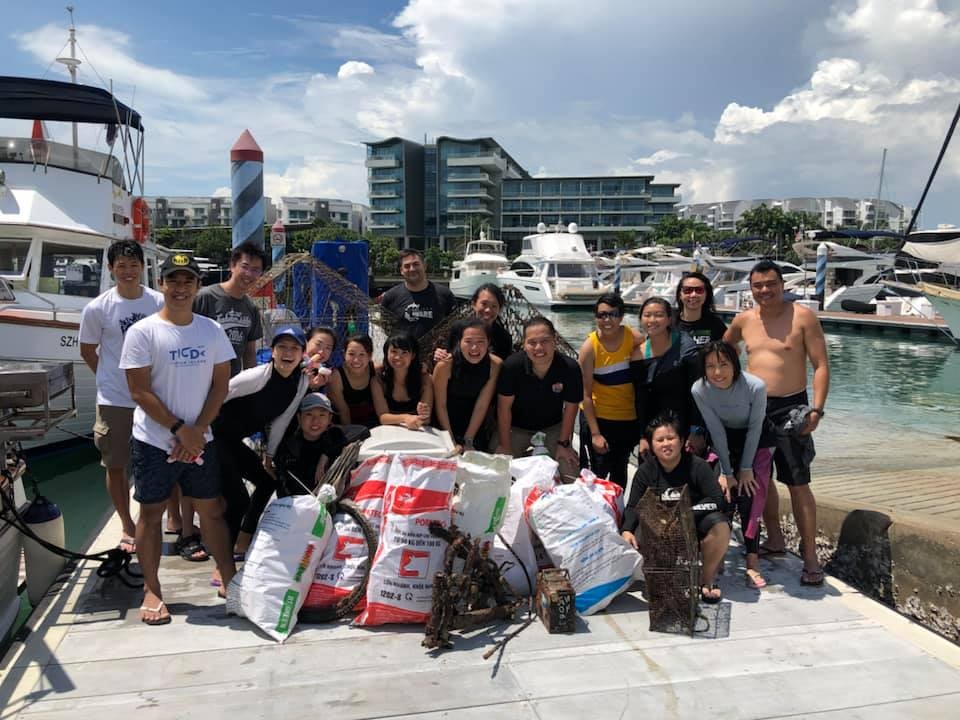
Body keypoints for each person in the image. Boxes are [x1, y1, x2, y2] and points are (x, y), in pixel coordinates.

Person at [119, 253, 237, 625]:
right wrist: (177, 429)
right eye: (174, 281)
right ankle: (152, 589)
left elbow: (221, 386)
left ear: (197, 287)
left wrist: (198, 430)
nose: (180, 288)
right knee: (151, 514)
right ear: (162, 284)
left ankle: (230, 580)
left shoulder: (211, 330)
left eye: (188, 281)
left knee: (212, 509)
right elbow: (139, 391)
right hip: (155, 440)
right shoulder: (143, 332)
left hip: (201, 437)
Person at [724, 259, 830, 586]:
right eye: (758, 285)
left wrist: (816, 410)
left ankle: (810, 557)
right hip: (753, 408)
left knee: (797, 482)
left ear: (782, 285)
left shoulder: (802, 318)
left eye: (771, 284)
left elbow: (821, 364)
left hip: (792, 408)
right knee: (760, 479)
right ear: (751, 289)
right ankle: (774, 539)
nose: (765, 290)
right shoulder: (744, 320)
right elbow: (722, 354)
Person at [79, 240, 165, 553]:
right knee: (116, 465)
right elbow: (88, 349)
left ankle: (160, 522)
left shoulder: (158, 301)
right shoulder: (98, 308)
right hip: (115, 399)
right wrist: (109, 378)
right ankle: (128, 526)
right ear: (111, 268)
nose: (127, 271)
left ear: (142, 267)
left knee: (162, 462)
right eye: (121, 266)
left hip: (155, 397)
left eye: (133, 265)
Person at [213, 325, 312, 559]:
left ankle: (243, 540)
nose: (288, 353)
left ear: (302, 354)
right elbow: (217, 396)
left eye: (294, 348)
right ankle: (224, 559)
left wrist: (269, 455)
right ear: (272, 351)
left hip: (234, 441)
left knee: (268, 482)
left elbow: (281, 420)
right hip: (214, 438)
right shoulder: (256, 377)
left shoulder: (300, 383)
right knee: (237, 499)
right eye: (282, 347)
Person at [621, 413, 730, 604]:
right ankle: (664, 576)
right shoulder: (646, 471)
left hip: (692, 523)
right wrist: (627, 529)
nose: (666, 444)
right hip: (659, 528)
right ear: (652, 445)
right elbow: (633, 506)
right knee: (640, 534)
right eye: (660, 440)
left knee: (720, 526)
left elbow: (718, 500)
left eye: (671, 438)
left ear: (681, 441)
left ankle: (705, 579)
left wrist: (686, 513)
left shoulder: (698, 466)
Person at [691, 341, 775, 589]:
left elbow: (755, 428)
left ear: (734, 364)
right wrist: (727, 472)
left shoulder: (755, 386)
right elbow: (715, 431)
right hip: (724, 439)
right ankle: (718, 557)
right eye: (711, 366)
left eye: (724, 364)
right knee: (723, 495)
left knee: (750, 495)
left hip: (757, 440)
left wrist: (746, 468)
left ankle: (752, 562)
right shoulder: (700, 389)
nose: (718, 372)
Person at [496, 317, 581, 480]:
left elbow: (571, 407)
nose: (539, 347)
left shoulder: (570, 367)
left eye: (545, 341)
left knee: (570, 473)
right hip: (516, 428)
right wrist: (505, 445)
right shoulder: (512, 366)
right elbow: (503, 408)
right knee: (499, 471)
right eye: (532, 342)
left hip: (553, 428)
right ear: (524, 345)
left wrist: (564, 443)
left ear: (555, 341)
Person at [578, 292, 643, 488]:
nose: (607, 320)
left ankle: (617, 515)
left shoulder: (634, 338)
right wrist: (596, 433)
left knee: (619, 472)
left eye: (613, 314)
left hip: (627, 420)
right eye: (601, 315)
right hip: (599, 418)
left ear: (621, 316)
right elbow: (585, 395)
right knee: (595, 476)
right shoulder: (590, 348)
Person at [630, 297, 703, 451]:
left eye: (659, 315)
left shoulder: (686, 349)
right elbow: (640, 399)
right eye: (647, 315)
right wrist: (642, 436)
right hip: (654, 429)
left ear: (670, 319)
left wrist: (696, 430)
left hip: (684, 427)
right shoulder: (638, 354)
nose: (652, 320)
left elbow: (699, 392)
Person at [193, 240, 266, 376]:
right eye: (245, 267)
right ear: (232, 265)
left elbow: (249, 354)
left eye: (256, 270)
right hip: (201, 379)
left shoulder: (251, 307)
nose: (249, 274)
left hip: (232, 384)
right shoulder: (205, 297)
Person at [433, 318, 502, 452]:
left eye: (480, 342)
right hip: (444, 421)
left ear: (488, 342)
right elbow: (440, 405)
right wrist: (450, 440)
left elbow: (482, 405)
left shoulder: (495, 365)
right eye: (468, 342)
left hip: (474, 423)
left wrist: (468, 440)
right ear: (459, 342)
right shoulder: (445, 366)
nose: (474, 348)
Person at [273, 393, 350, 497]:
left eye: (322, 415)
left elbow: (362, 431)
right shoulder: (288, 446)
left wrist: (325, 455)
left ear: (329, 418)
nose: (315, 421)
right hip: (297, 504)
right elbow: (282, 485)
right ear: (299, 418)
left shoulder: (335, 436)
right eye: (309, 414)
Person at [380, 249, 455, 340]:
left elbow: (453, 327)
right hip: (404, 353)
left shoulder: (445, 295)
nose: (412, 269)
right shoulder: (390, 297)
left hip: (436, 353)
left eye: (416, 264)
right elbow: (386, 328)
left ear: (424, 266)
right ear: (401, 271)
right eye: (407, 266)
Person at [434, 283, 513, 363]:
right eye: (484, 304)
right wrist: (440, 355)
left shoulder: (504, 338)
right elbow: (449, 356)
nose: (488, 310)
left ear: (500, 309)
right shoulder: (458, 328)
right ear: (474, 304)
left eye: (494, 306)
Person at [375, 332, 434, 429]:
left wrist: (423, 413)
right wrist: (405, 418)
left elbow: (426, 420)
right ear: (386, 353)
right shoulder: (379, 380)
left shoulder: (424, 379)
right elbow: (382, 417)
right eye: (394, 351)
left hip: (418, 432)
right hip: (388, 433)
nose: (398, 357)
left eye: (404, 352)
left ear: (413, 355)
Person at [327, 334, 383, 428]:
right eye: (351, 354)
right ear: (344, 354)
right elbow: (344, 412)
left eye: (362, 354)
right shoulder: (336, 377)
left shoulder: (376, 370)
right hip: (346, 423)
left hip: (374, 421)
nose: (356, 360)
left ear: (370, 356)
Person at [302, 326, 350, 419]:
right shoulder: (294, 363)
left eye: (328, 348)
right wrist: (306, 385)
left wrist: (315, 388)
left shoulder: (326, 371)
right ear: (306, 342)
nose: (321, 352)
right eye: (318, 344)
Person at [676, 271, 727, 346]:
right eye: (687, 290)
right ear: (680, 294)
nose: (693, 295)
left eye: (699, 290)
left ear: (706, 294)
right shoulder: (670, 323)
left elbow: (732, 350)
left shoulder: (716, 324)